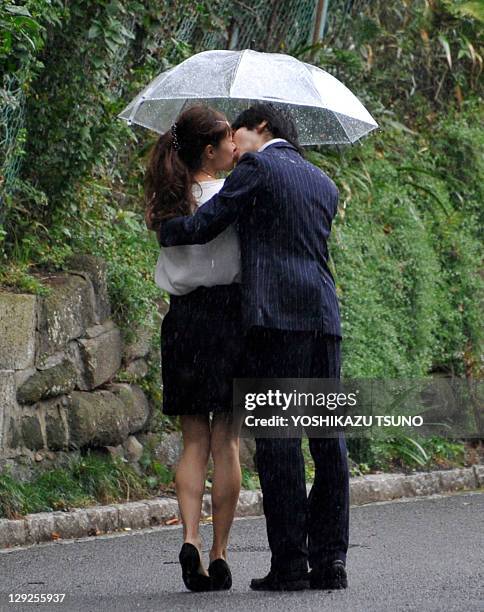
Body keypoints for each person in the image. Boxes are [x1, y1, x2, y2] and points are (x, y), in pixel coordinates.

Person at [148, 102, 350, 592]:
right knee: (329, 444)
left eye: (239, 133)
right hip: (324, 317)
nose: (234, 146)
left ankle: (289, 566)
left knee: (279, 444)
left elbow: (207, 222)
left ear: (261, 128)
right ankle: (331, 563)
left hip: (276, 321)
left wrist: (165, 227)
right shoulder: (323, 181)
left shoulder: (258, 167)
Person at [144, 104, 244, 592]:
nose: (235, 146)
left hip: (182, 321)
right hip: (228, 319)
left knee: (193, 441)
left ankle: (190, 540)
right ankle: (221, 553)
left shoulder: (169, 201)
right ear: (210, 149)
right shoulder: (234, 195)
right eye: (228, 140)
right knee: (226, 441)